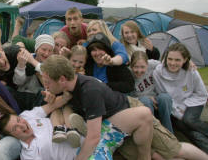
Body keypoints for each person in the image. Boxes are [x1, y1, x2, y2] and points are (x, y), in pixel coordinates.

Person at [39, 55, 208, 160]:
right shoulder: (70, 87)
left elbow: (93, 137)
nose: (45, 85)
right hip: (116, 125)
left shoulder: (89, 91)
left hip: (128, 111)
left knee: (174, 150)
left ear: (61, 79)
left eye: (47, 82)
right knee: (156, 155)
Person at [0, 93, 128, 160]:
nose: (22, 124)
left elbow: (52, 106)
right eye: (16, 128)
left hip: (96, 134)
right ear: (13, 136)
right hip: (86, 155)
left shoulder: (27, 116)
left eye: (19, 120)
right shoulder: (28, 155)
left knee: (141, 115)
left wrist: (67, 94)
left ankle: (75, 130)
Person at [153, 43, 208, 153]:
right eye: (170, 59)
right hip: (174, 108)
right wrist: (178, 110)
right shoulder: (158, 73)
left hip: (193, 102)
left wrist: (185, 106)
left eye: (177, 60)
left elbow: (201, 93)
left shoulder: (191, 71)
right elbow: (163, 94)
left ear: (185, 59)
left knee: (188, 120)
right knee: (187, 130)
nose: (173, 63)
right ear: (165, 58)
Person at [129, 51, 174, 133]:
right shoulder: (128, 74)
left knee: (165, 97)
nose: (139, 70)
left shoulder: (153, 64)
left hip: (157, 99)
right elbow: (127, 97)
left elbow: (170, 63)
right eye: (136, 67)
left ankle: (169, 132)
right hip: (142, 102)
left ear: (147, 64)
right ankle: (153, 132)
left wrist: (188, 62)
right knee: (145, 100)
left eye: (142, 67)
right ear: (131, 66)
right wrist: (144, 98)